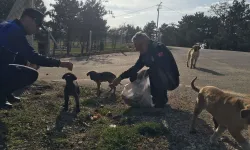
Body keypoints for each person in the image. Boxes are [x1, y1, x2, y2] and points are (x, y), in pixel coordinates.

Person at [0, 8, 73, 109]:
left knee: (21, 60)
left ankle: (6, 93)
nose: (38, 29)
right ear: (30, 20)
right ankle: (1, 97)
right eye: (38, 25)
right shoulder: (14, 31)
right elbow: (33, 57)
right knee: (31, 74)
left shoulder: (9, 25)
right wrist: (60, 63)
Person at [110, 32, 180, 108]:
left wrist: (146, 73)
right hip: (160, 76)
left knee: (153, 72)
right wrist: (120, 78)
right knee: (134, 76)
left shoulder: (158, 48)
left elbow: (163, 67)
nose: (136, 49)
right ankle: (141, 96)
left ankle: (160, 102)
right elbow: (135, 68)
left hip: (171, 80)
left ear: (145, 42)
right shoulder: (144, 52)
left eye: (137, 45)